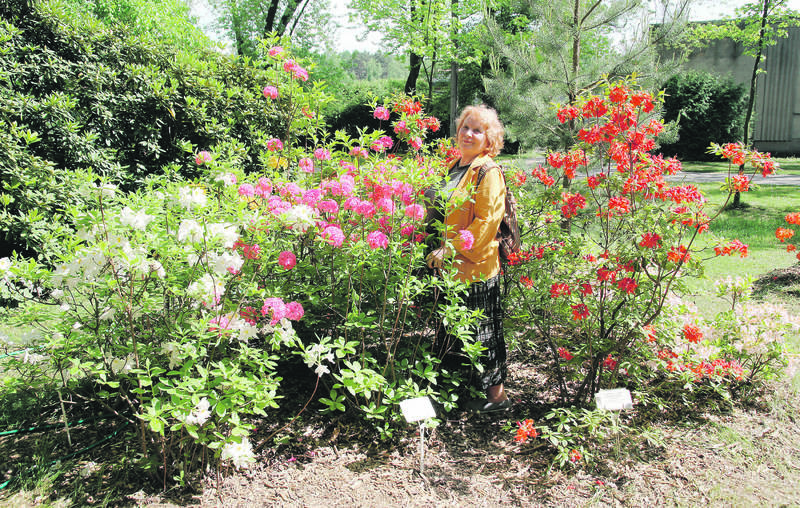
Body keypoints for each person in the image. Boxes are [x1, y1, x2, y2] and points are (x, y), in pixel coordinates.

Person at [423, 105, 510, 413]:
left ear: (490, 138)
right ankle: (457, 392)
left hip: (476, 268)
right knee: (451, 332)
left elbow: (486, 221)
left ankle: (497, 398)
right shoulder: (455, 166)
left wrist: (450, 248)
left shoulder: (488, 171)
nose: (469, 134)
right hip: (448, 270)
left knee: (484, 332)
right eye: (465, 127)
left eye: (477, 130)